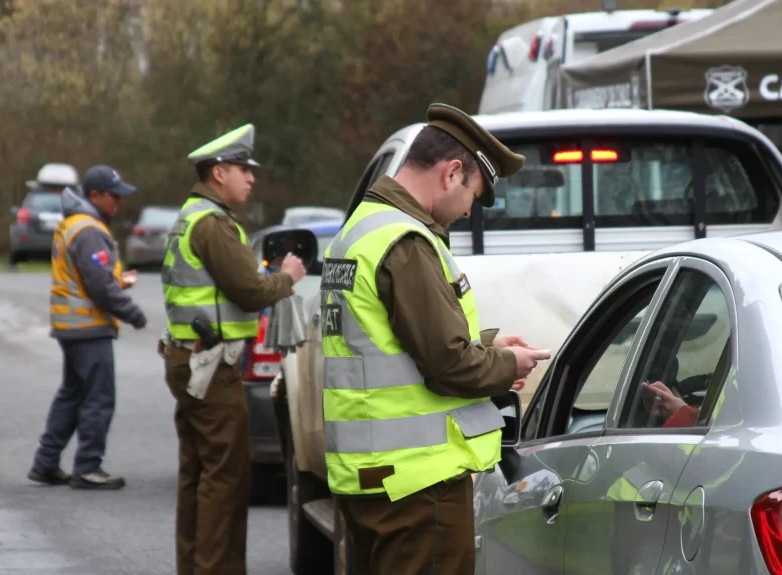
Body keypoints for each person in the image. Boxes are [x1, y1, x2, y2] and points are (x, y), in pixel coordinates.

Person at [321, 103, 552, 575]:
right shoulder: (406, 242)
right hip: (417, 486)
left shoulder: (359, 231)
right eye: (474, 193)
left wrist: (488, 342)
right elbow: (447, 363)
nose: (469, 211)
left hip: (369, 479)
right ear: (451, 173)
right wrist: (509, 365)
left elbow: (388, 342)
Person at [160, 123, 307, 575]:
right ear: (219, 172)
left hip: (188, 359)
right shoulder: (215, 225)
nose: (252, 178)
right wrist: (288, 277)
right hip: (212, 367)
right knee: (224, 480)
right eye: (244, 169)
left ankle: (194, 565)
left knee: (198, 475)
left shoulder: (189, 216)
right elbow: (249, 291)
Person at [28, 165, 147, 490]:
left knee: (72, 394)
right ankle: (88, 467)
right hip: (88, 327)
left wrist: (117, 281)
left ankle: (46, 462)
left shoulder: (74, 224)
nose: (118, 203)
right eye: (114, 196)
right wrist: (133, 313)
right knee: (99, 397)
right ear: (94, 195)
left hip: (71, 326)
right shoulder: (90, 230)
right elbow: (99, 286)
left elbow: (88, 279)